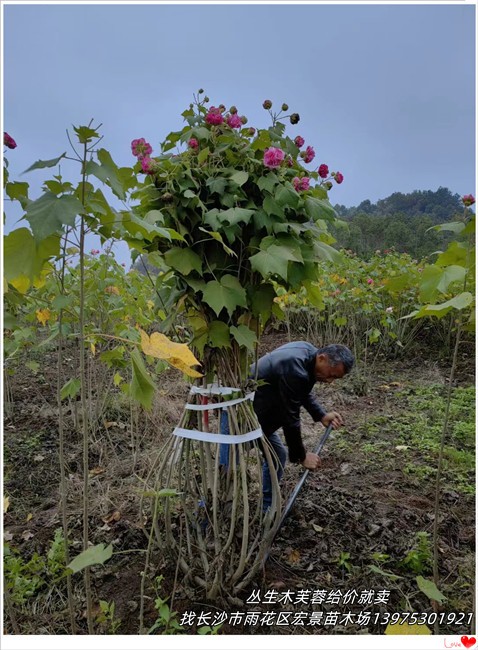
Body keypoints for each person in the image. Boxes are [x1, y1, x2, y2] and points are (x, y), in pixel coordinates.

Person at [250, 341, 355, 511]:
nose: (330, 381)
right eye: (332, 375)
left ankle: (267, 508)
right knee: (227, 465)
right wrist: (302, 457)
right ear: (322, 358)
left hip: (260, 416)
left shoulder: (307, 354)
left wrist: (321, 414)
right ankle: (210, 510)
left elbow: (301, 391)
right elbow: (290, 418)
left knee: (277, 455)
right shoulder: (294, 367)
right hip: (240, 415)